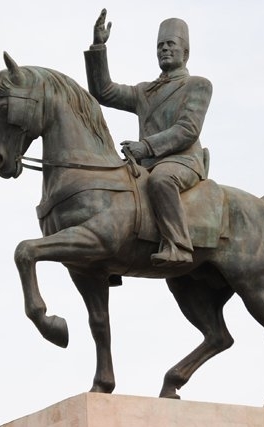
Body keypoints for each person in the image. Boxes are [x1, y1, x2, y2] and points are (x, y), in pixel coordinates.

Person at [84, 9, 212, 267]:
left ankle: (179, 245)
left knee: (162, 180)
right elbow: (104, 91)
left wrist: (146, 146)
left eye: (170, 45)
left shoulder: (198, 85)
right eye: (160, 46)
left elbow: (188, 129)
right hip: (145, 165)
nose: (164, 50)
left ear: (185, 53)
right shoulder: (145, 91)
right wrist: (99, 47)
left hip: (183, 161)